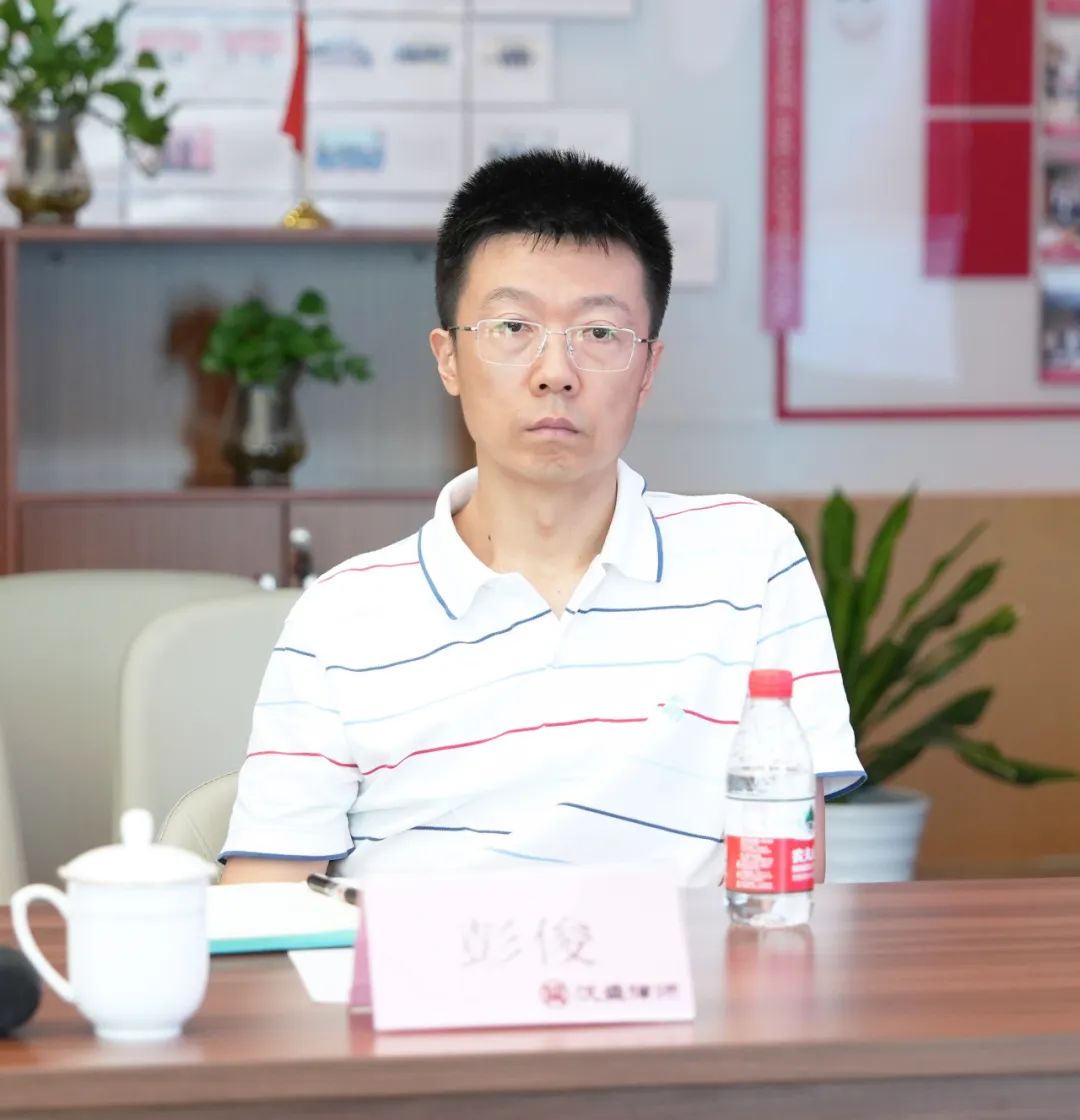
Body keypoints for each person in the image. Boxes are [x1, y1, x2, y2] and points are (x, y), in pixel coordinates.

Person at [220, 150, 864, 888]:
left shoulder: (749, 560)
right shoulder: (342, 616)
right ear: (448, 359)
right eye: (512, 326)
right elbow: (263, 903)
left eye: (600, 333)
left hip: (682, 964)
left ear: (648, 369)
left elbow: (785, 879)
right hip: (423, 964)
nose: (555, 372)